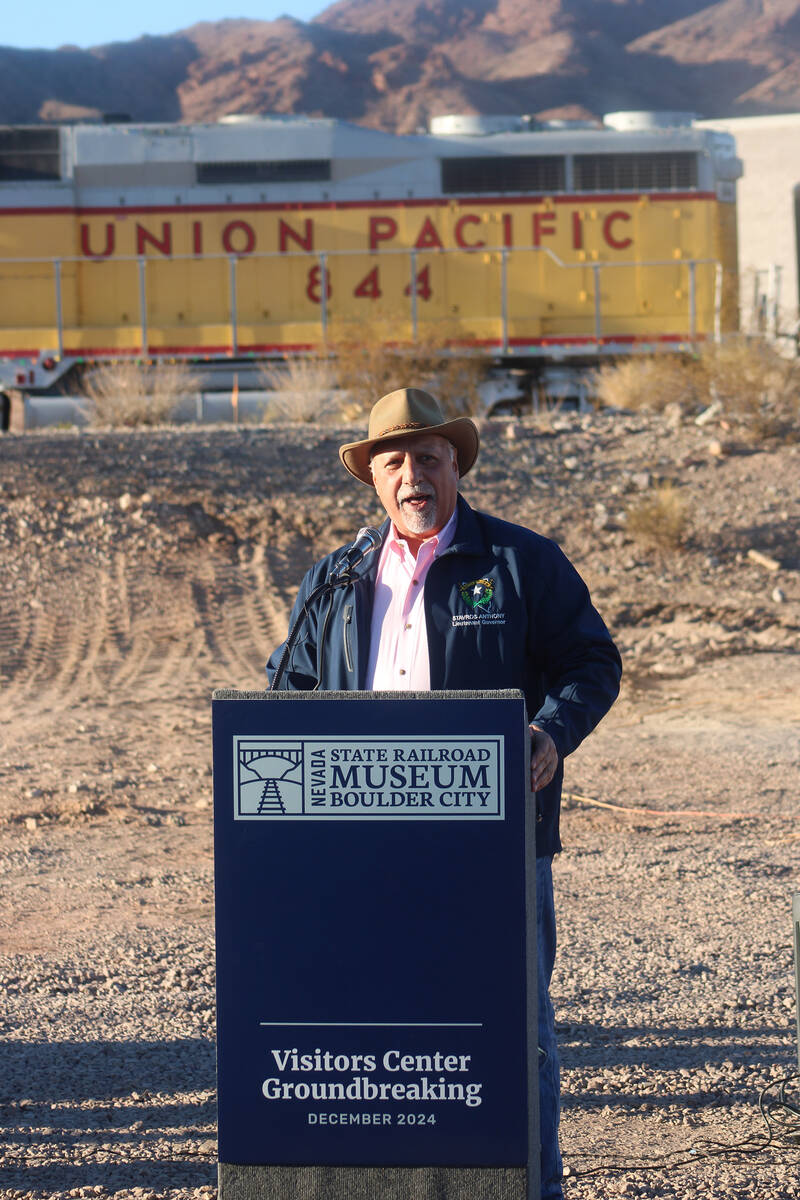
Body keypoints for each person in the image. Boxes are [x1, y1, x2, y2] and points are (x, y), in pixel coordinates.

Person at [266, 386, 622, 1199]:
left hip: (494, 847)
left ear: (456, 467)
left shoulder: (519, 562)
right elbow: (290, 691)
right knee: (383, 1029)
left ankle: (531, 1186)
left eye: (430, 457)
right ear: (373, 479)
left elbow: (592, 662)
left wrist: (551, 734)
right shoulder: (335, 577)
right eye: (394, 461)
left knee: (512, 1034)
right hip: (360, 852)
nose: (413, 474)